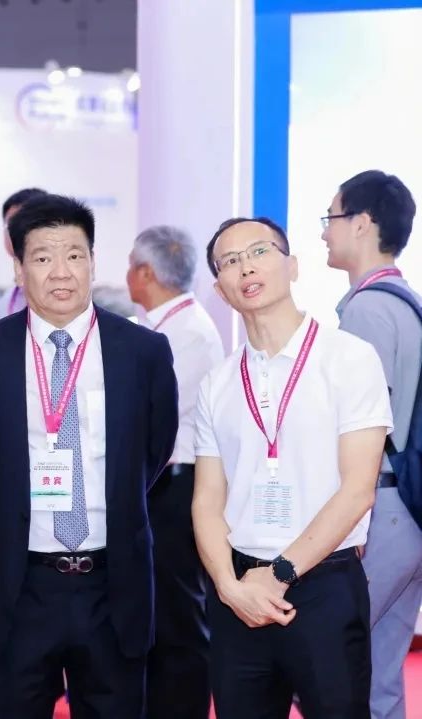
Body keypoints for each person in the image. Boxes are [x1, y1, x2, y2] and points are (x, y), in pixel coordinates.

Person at [0, 194, 179, 718]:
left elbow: (155, 449)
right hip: (18, 585)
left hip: (112, 583)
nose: (60, 272)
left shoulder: (143, 352)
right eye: (42, 257)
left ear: (93, 262)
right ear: (19, 268)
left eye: (74, 255)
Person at [193, 217, 392, 718]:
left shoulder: (349, 359)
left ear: (293, 266)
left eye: (259, 252)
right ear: (220, 288)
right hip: (239, 593)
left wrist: (280, 573)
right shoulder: (217, 383)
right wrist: (229, 587)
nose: (246, 268)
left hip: (323, 586)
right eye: (230, 261)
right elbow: (207, 500)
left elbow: (358, 489)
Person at [321, 170, 421, 719]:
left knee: (325, 663)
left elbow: (362, 427)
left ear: (361, 224)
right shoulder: (406, 301)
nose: (324, 232)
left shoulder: (366, 310)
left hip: (377, 509)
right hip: (406, 509)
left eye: (331, 218)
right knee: (380, 677)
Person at [125, 225, 225, 719]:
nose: (126, 276)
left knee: (179, 614)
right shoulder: (159, 325)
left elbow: (150, 415)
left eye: (130, 266)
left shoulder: (189, 333)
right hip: (158, 481)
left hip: (176, 483)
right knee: (158, 610)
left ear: (146, 272)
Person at [0, 187, 48, 322]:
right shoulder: (7, 300)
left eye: (27, 224)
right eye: (11, 226)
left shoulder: (68, 291)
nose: (18, 233)